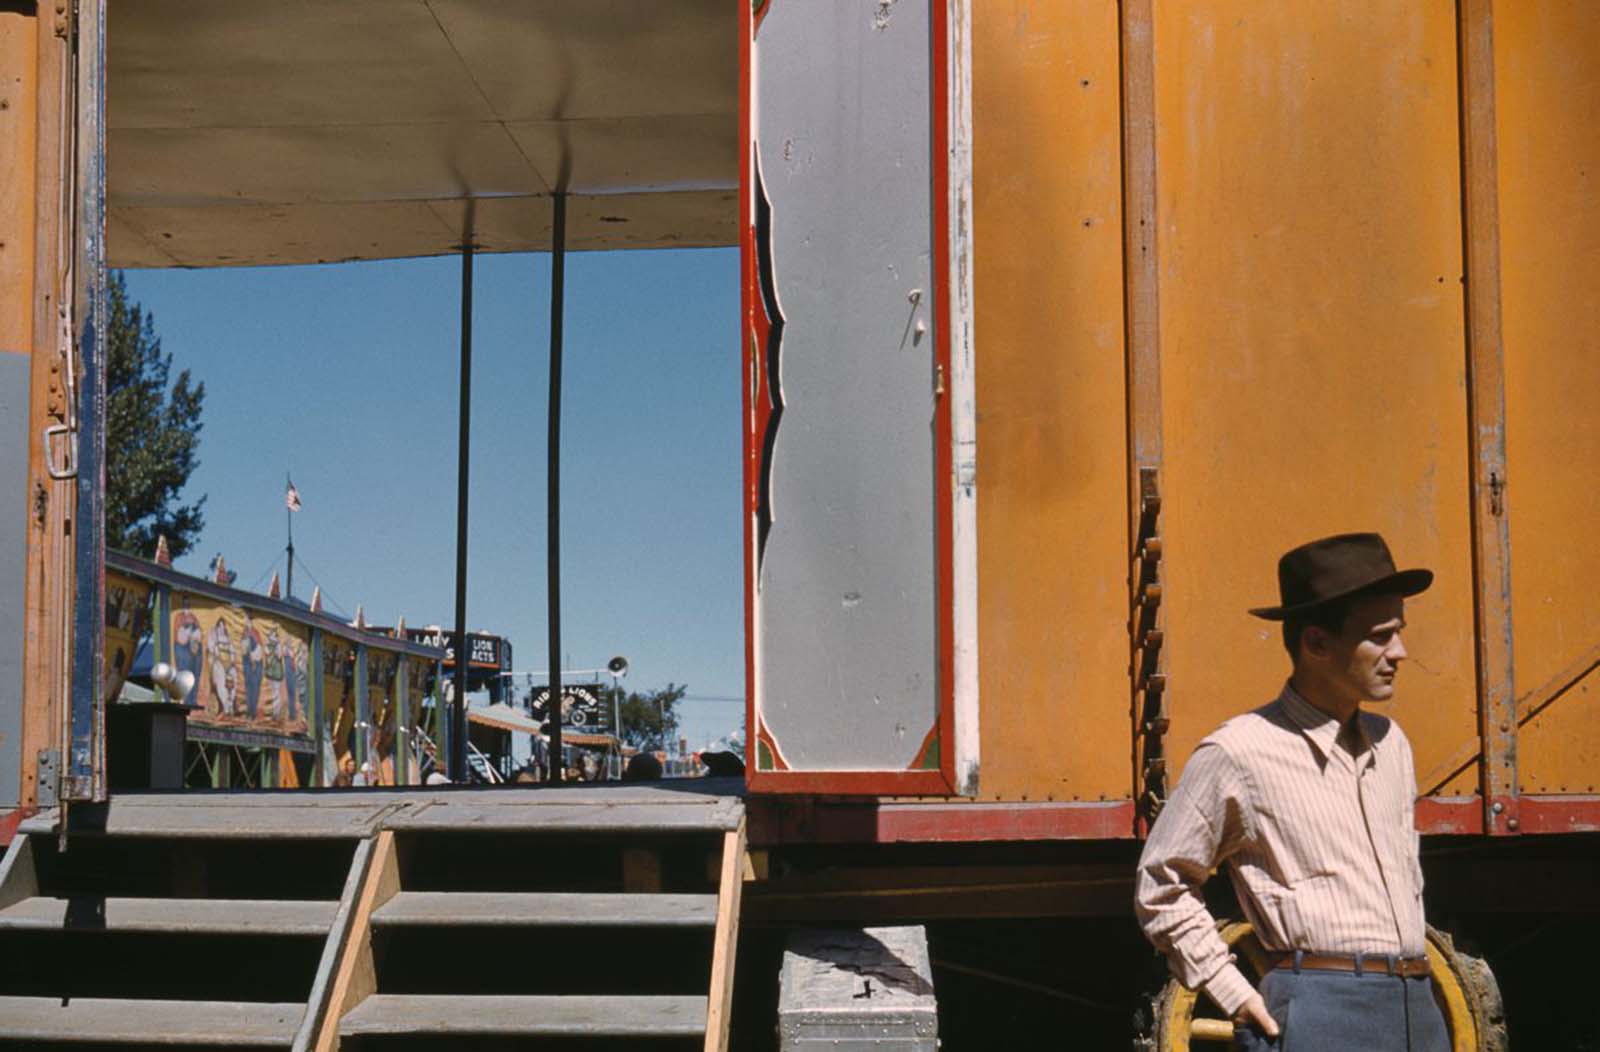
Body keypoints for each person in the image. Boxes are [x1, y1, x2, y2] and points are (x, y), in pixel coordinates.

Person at [1135, 533, 1449, 1052]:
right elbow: (1161, 886)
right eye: (1380, 636)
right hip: (1318, 1012)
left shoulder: (1393, 746)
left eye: (1400, 632)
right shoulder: (1239, 753)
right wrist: (1232, 990)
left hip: (1419, 1005)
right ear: (1317, 644)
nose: (1401, 653)